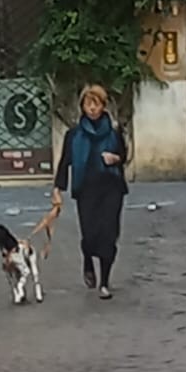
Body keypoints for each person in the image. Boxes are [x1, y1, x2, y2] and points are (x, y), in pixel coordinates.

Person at [51, 84, 129, 299]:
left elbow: (124, 155)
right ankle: (87, 260)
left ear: (103, 106)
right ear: (82, 107)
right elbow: (65, 162)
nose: (92, 108)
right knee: (90, 235)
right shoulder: (74, 135)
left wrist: (115, 158)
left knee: (109, 235)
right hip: (86, 189)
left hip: (111, 188)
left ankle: (104, 282)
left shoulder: (114, 132)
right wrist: (58, 189)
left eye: (96, 104)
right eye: (88, 104)